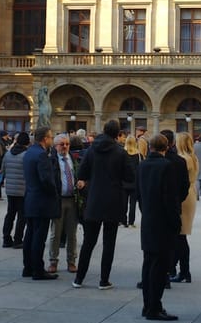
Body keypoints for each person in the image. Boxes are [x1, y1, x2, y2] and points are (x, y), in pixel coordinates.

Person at [74, 119, 134, 289]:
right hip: (113, 201)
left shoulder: (92, 150)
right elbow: (130, 177)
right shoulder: (120, 152)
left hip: (94, 199)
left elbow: (81, 172)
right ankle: (103, 280)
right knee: (109, 243)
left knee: (88, 242)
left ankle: (79, 278)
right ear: (117, 134)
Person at [138, 133, 182, 320]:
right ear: (166, 147)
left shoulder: (141, 166)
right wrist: (176, 222)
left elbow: (138, 195)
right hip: (163, 223)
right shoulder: (167, 167)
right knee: (159, 267)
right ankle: (155, 307)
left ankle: (147, 305)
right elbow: (170, 199)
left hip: (148, 220)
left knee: (148, 264)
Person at [23, 126, 58, 280]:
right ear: (45, 139)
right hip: (41, 201)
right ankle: (38, 269)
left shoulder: (29, 152)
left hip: (31, 199)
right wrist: (54, 193)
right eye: (51, 137)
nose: (52, 140)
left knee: (30, 235)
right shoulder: (42, 155)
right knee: (39, 237)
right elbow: (46, 180)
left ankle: (28, 267)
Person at [47, 133, 79, 273]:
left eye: (67, 144)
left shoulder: (73, 159)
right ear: (55, 146)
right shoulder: (51, 160)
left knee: (72, 233)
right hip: (58, 200)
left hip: (72, 200)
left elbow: (78, 174)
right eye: (62, 144)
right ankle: (53, 261)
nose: (65, 146)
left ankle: (71, 261)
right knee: (56, 233)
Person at [170, 131, 198, 283]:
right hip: (191, 193)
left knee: (179, 235)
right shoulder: (192, 157)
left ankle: (182, 270)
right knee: (181, 235)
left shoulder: (184, 159)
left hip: (184, 196)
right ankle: (183, 270)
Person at [1, 132, 30, 248]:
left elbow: (3, 170)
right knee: (22, 216)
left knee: (10, 214)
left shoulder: (8, 154)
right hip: (23, 190)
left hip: (10, 189)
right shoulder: (26, 155)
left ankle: (6, 238)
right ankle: (18, 239)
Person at [122, 135, 140, 227]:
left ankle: (123, 221)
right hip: (134, 182)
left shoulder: (122, 153)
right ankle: (131, 221)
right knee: (132, 203)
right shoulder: (138, 154)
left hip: (124, 182)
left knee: (123, 203)